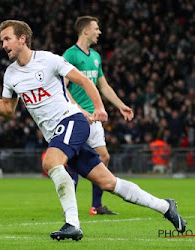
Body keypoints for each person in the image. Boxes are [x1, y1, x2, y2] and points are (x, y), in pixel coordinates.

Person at [0, 20, 186, 241]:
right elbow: (7, 110)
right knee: (109, 183)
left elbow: (83, 81)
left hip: (72, 120)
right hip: (57, 134)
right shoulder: (11, 75)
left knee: (50, 162)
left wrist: (99, 107)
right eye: (2, 41)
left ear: (22, 39)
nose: (4, 45)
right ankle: (165, 206)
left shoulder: (49, 60)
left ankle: (72, 224)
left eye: (7, 39)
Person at [63, 16, 134, 215]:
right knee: (72, 158)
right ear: (85, 31)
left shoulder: (95, 56)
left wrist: (121, 105)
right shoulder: (70, 55)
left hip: (94, 117)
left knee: (104, 156)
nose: (99, 32)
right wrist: (79, 109)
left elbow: (103, 85)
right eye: (96, 28)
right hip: (77, 116)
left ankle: (96, 205)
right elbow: (63, 87)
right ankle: (70, 207)